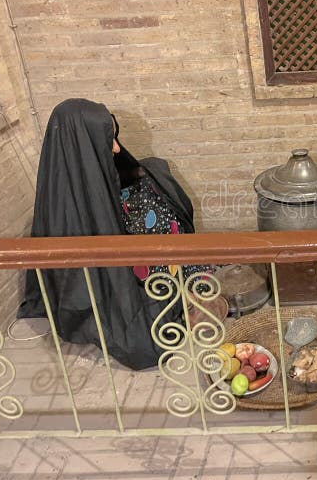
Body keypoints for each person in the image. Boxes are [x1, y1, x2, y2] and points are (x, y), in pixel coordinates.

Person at [17, 98, 217, 370]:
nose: (116, 148)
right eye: (108, 140)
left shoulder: (84, 165)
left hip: (130, 235)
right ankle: (171, 282)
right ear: (86, 144)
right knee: (146, 339)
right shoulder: (69, 208)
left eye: (114, 136)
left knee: (156, 176)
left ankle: (179, 274)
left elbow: (121, 175)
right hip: (109, 274)